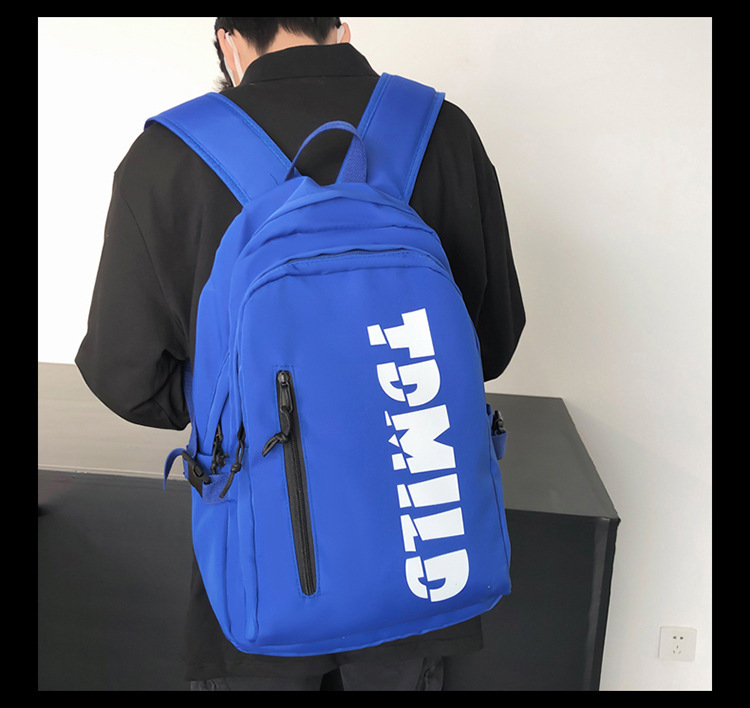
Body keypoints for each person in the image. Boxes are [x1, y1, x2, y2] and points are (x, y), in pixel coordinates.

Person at [76, 17, 525, 691]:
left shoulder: (167, 155)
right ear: (341, 30)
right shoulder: (442, 131)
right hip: (423, 557)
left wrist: (239, 403)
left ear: (229, 41)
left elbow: (124, 375)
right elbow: (492, 342)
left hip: (264, 561)